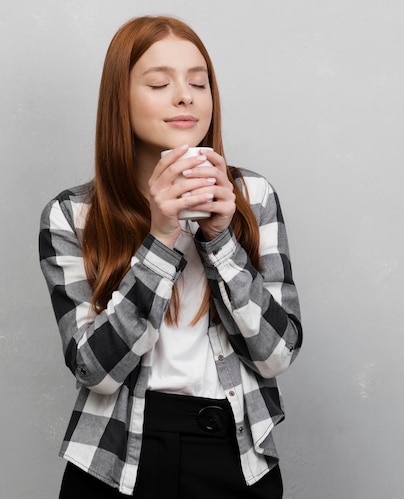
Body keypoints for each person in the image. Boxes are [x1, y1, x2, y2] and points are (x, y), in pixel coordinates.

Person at [38, 15, 302, 498]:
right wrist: (159, 239)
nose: (186, 96)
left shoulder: (252, 197)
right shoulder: (72, 215)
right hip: (113, 459)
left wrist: (220, 238)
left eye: (199, 82)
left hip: (232, 448)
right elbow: (94, 372)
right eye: (160, 83)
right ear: (121, 99)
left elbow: (277, 355)